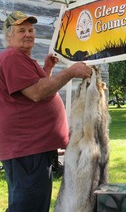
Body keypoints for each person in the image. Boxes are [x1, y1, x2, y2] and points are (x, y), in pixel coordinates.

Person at [0, 11, 93, 212]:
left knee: (34, 203)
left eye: (31, 30)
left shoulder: (21, 58)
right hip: (28, 148)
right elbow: (35, 92)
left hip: (34, 148)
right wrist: (70, 72)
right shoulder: (12, 57)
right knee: (27, 205)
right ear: (9, 36)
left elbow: (32, 88)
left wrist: (47, 70)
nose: (28, 34)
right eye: (21, 30)